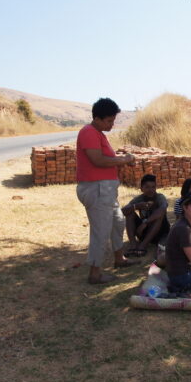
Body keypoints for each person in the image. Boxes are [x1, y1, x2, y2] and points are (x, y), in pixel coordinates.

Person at [76, 97, 136, 284]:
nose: (112, 124)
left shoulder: (99, 134)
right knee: (100, 231)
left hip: (106, 190)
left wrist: (121, 161)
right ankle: (95, 273)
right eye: (109, 121)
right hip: (97, 189)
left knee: (117, 222)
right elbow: (98, 160)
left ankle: (119, 259)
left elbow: (106, 159)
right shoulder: (88, 132)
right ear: (98, 118)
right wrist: (124, 160)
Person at [122, 173, 169, 258]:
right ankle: (133, 245)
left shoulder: (159, 197)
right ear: (141, 188)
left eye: (153, 187)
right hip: (144, 232)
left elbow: (163, 209)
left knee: (159, 215)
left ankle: (143, 246)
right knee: (130, 212)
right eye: (147, 187)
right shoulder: (139, 199)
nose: (150, 190)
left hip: (161, 233)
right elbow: (123, 211)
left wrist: (146, 222)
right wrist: (136, 206)